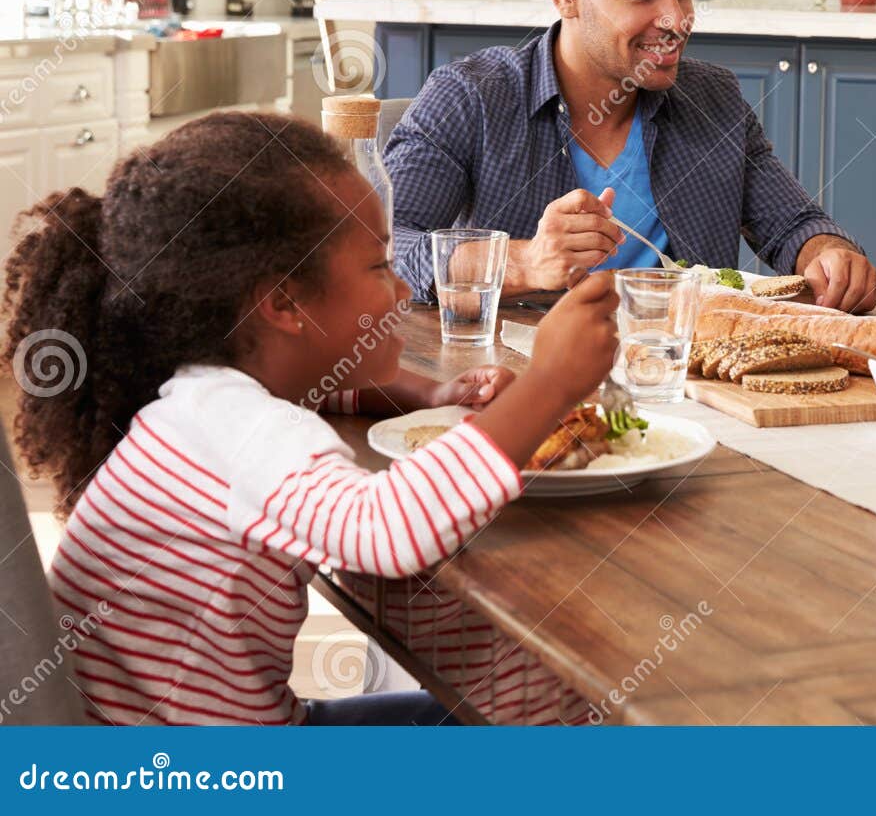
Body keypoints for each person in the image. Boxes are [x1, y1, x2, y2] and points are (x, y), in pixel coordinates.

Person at [1, 111, 617, 725]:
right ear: (285, 303)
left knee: (510, 706)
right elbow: (387, 531)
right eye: (379, 266)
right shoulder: (246, 431)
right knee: (553, 709)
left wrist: (425, 396)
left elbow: (313, 395)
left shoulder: (203, 401)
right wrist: (550, 384)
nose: (403, 290)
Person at [385, 0, 876, 313]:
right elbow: (382, 249)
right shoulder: (471, 97)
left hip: (686, 380)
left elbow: (792, 225)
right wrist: (525, 261)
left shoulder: (714, 98)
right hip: (524, 385)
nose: (676, 20)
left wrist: (829, 252)